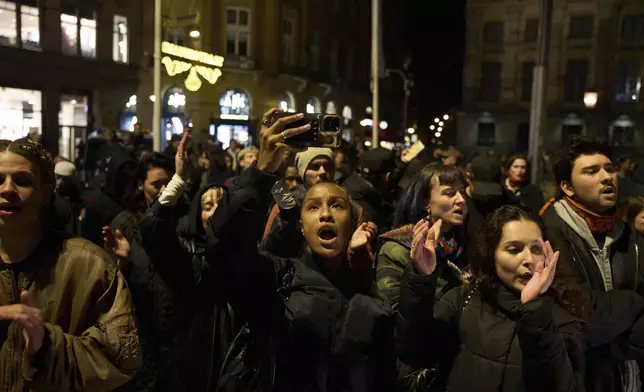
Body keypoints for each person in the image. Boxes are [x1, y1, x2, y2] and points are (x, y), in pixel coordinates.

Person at [209, 109, 395, 392]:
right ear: (301, 226)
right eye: (313, 207)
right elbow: (226, 249)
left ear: (352, 221)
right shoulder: (278, 280)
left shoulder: (372, 297)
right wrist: (261, 172)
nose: (325, 214)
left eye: (336, 205)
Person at [0, 137, 141, 391]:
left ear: (45, 193)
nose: (7, 189)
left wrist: (46, 348)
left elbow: (121, 359)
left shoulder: (89, 265)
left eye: (22, 180)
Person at [398, 205, 586, 391]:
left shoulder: (562, 318)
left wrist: (534, 310)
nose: (529, 259)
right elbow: (416, 352)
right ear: (492, 254)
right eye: (514, 249)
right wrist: (420, 279)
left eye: (536, 249)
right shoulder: (464, 300)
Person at [541, 136, 644, 392]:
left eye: (609, 168)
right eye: (592, 171)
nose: (607, 176)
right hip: (573, 377)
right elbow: (578, 317)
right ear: (567, 186)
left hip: (627, 378)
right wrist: (634, 302)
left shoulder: (632, 238)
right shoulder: (545, 235)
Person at [378, 163, 469, 311]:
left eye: (462, 192)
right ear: (425, 202)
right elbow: (393, 311)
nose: (461, 200)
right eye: (450, 193)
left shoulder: (460, 242)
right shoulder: (398, 248)